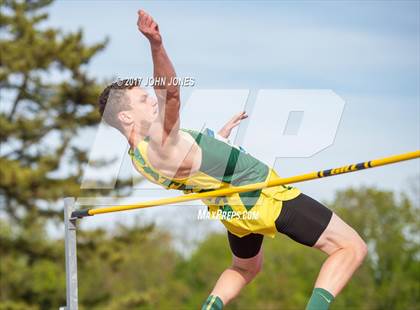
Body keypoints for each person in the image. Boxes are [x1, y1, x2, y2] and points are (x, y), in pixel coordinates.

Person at [97, 10, 368, 310]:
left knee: (244, 268)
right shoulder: (160, 143)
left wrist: (218, 139)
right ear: (125, 116)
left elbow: (192, 163)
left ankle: (211, 306)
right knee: (351, 246)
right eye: (142, 99)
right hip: (261, 196)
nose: (150, 100)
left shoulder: (139, 157)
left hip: (231, 213)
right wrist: (156, 45)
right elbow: (170, 94)